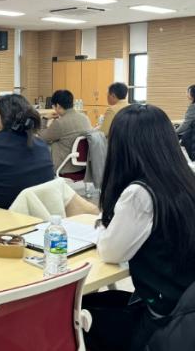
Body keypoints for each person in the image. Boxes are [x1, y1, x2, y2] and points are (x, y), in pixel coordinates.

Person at [83, 104, 195, 351]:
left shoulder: (140, 194)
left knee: (77, 313)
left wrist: (103, 227)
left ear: (122, 147)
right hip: (183, 307)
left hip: (161, 322)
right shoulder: (185, 178)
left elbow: (111, 252)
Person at [40, 90, 92, 174]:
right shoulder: (85, 118)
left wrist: (44, 119)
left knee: (44, 146)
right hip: (84, 167)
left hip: (64, 168)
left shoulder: (60, 123)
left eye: (53, 106)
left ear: (58, 106)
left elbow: (42, 137)